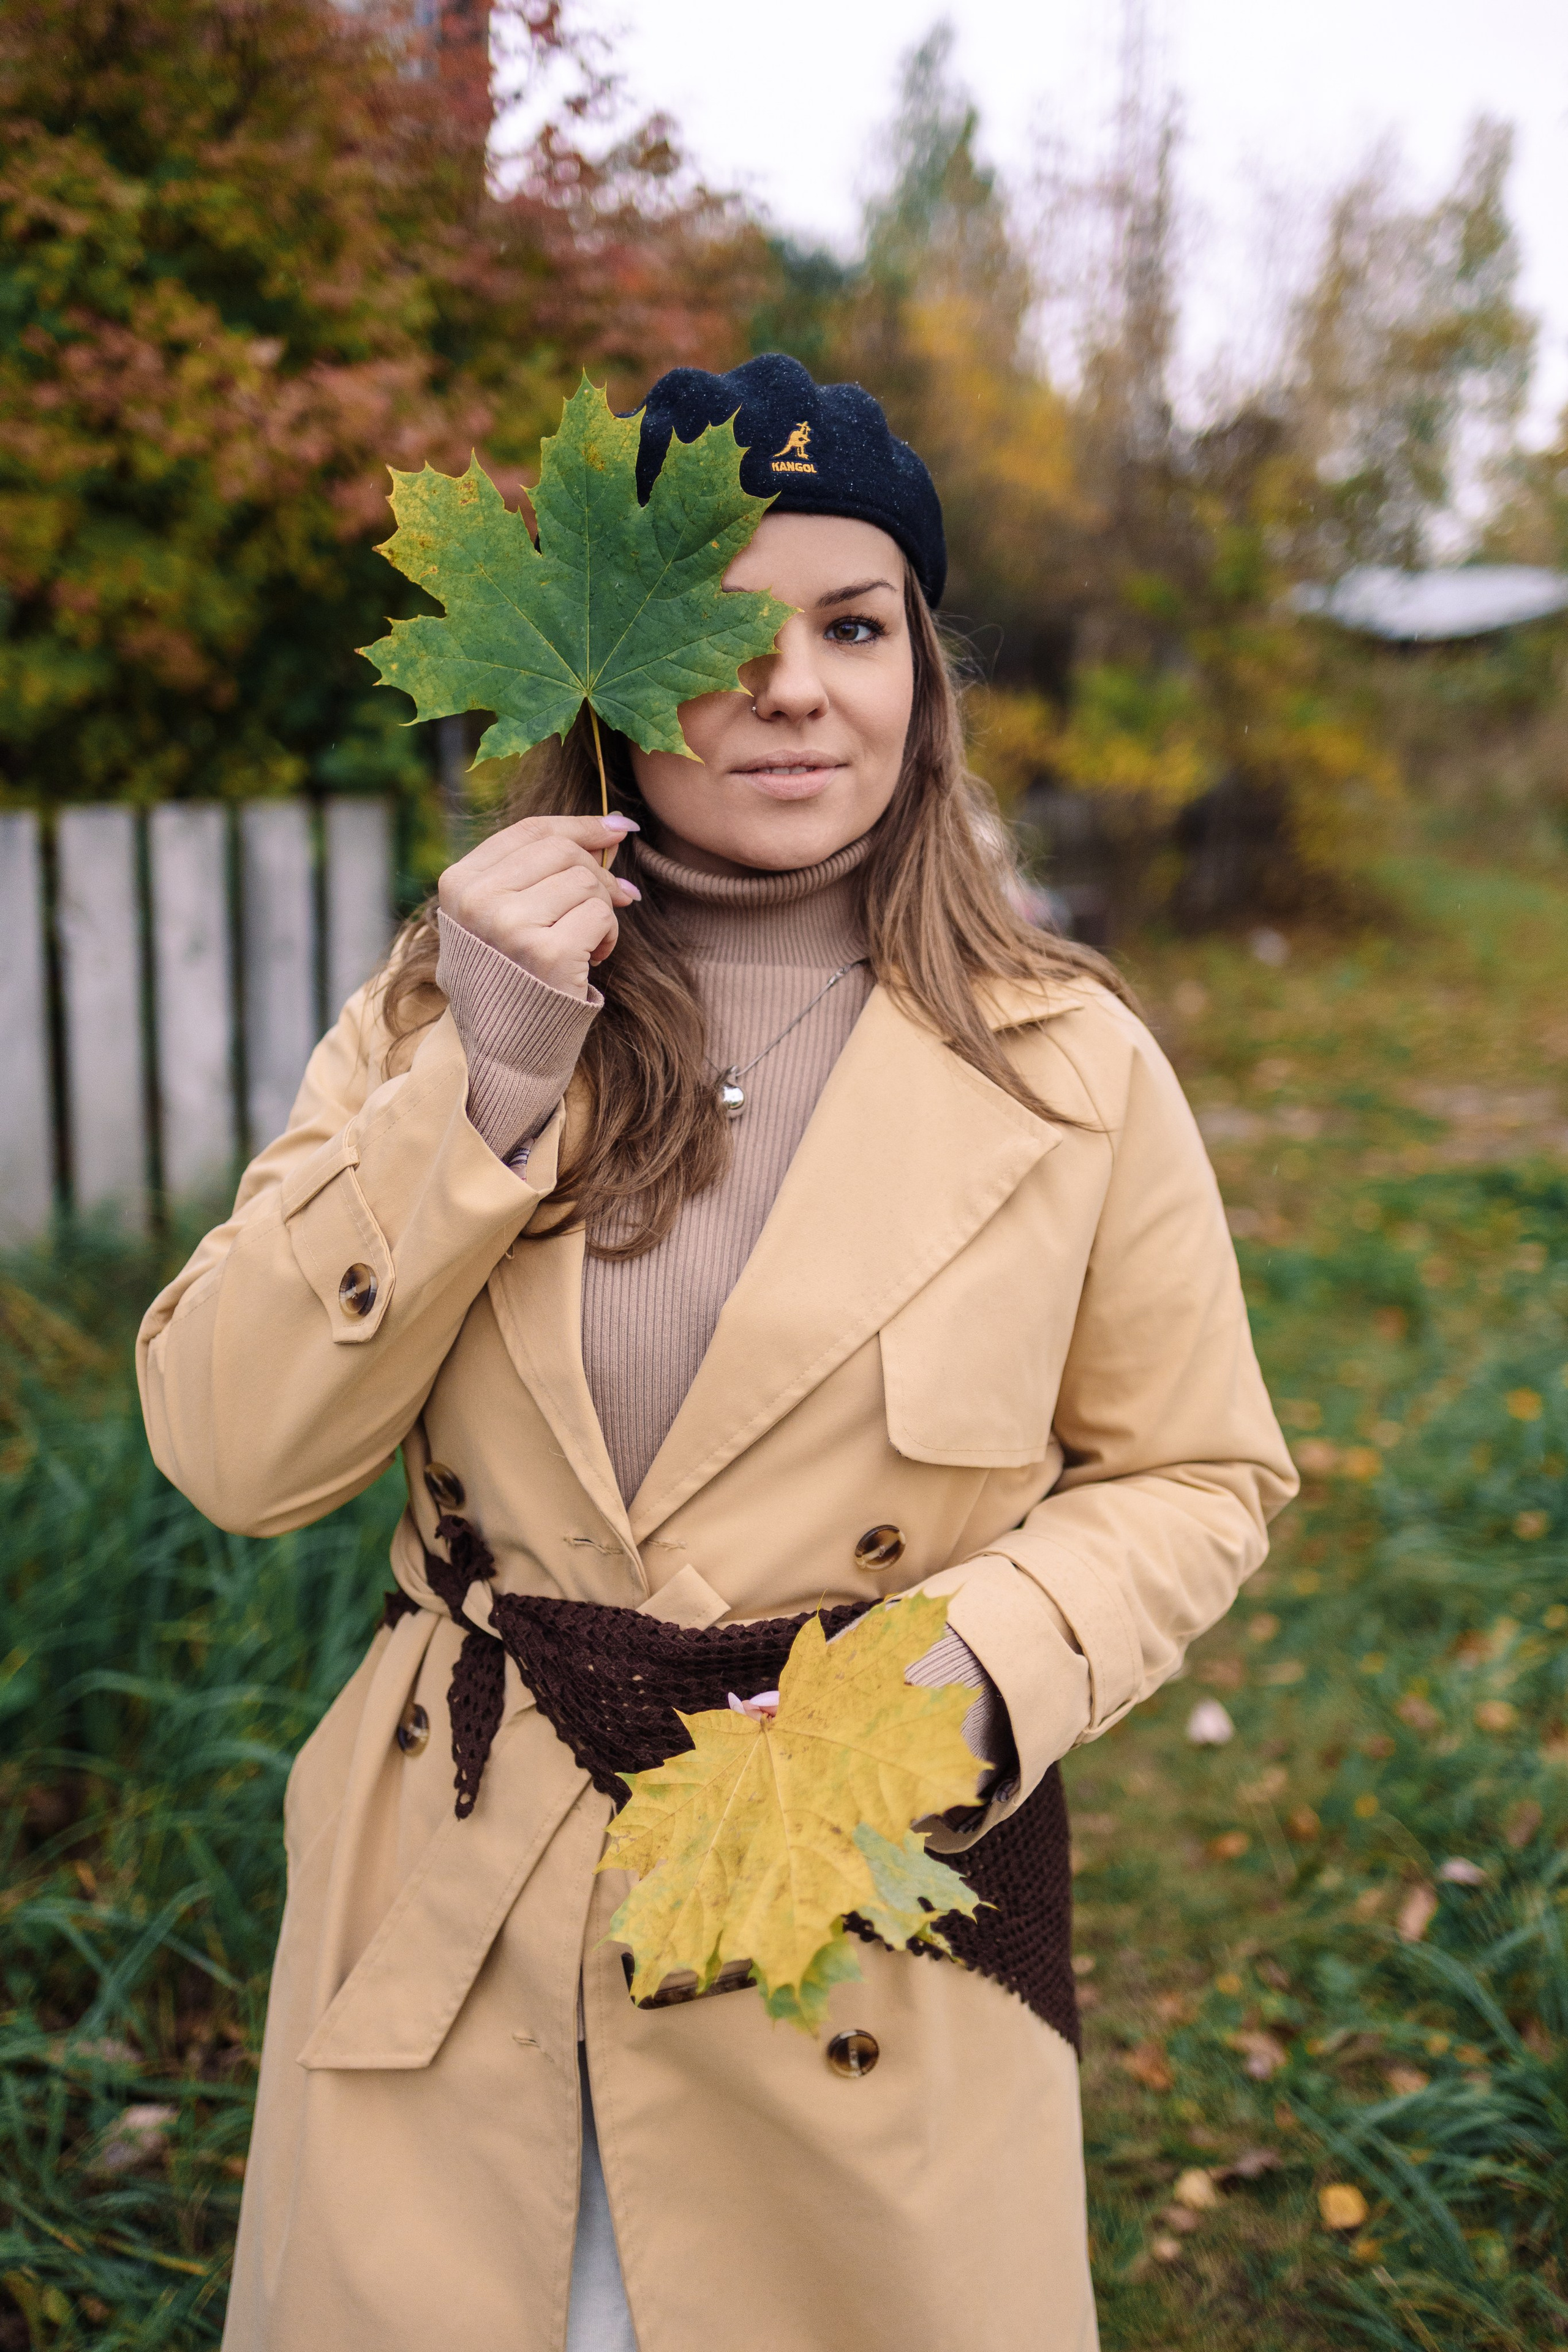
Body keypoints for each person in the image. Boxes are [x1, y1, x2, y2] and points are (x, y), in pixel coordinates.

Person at [137, 352, 1296, 2352]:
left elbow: (1199, 1471)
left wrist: (949, 1690)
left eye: (855, 628)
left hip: (856, 1894)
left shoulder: (1072, 1062)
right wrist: (485, 1082)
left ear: (922, 675)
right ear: (600, 675)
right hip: (466, 1910)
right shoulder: (446, 1011)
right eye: (722, 634)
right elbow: (233, 1454)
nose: (795, 688)